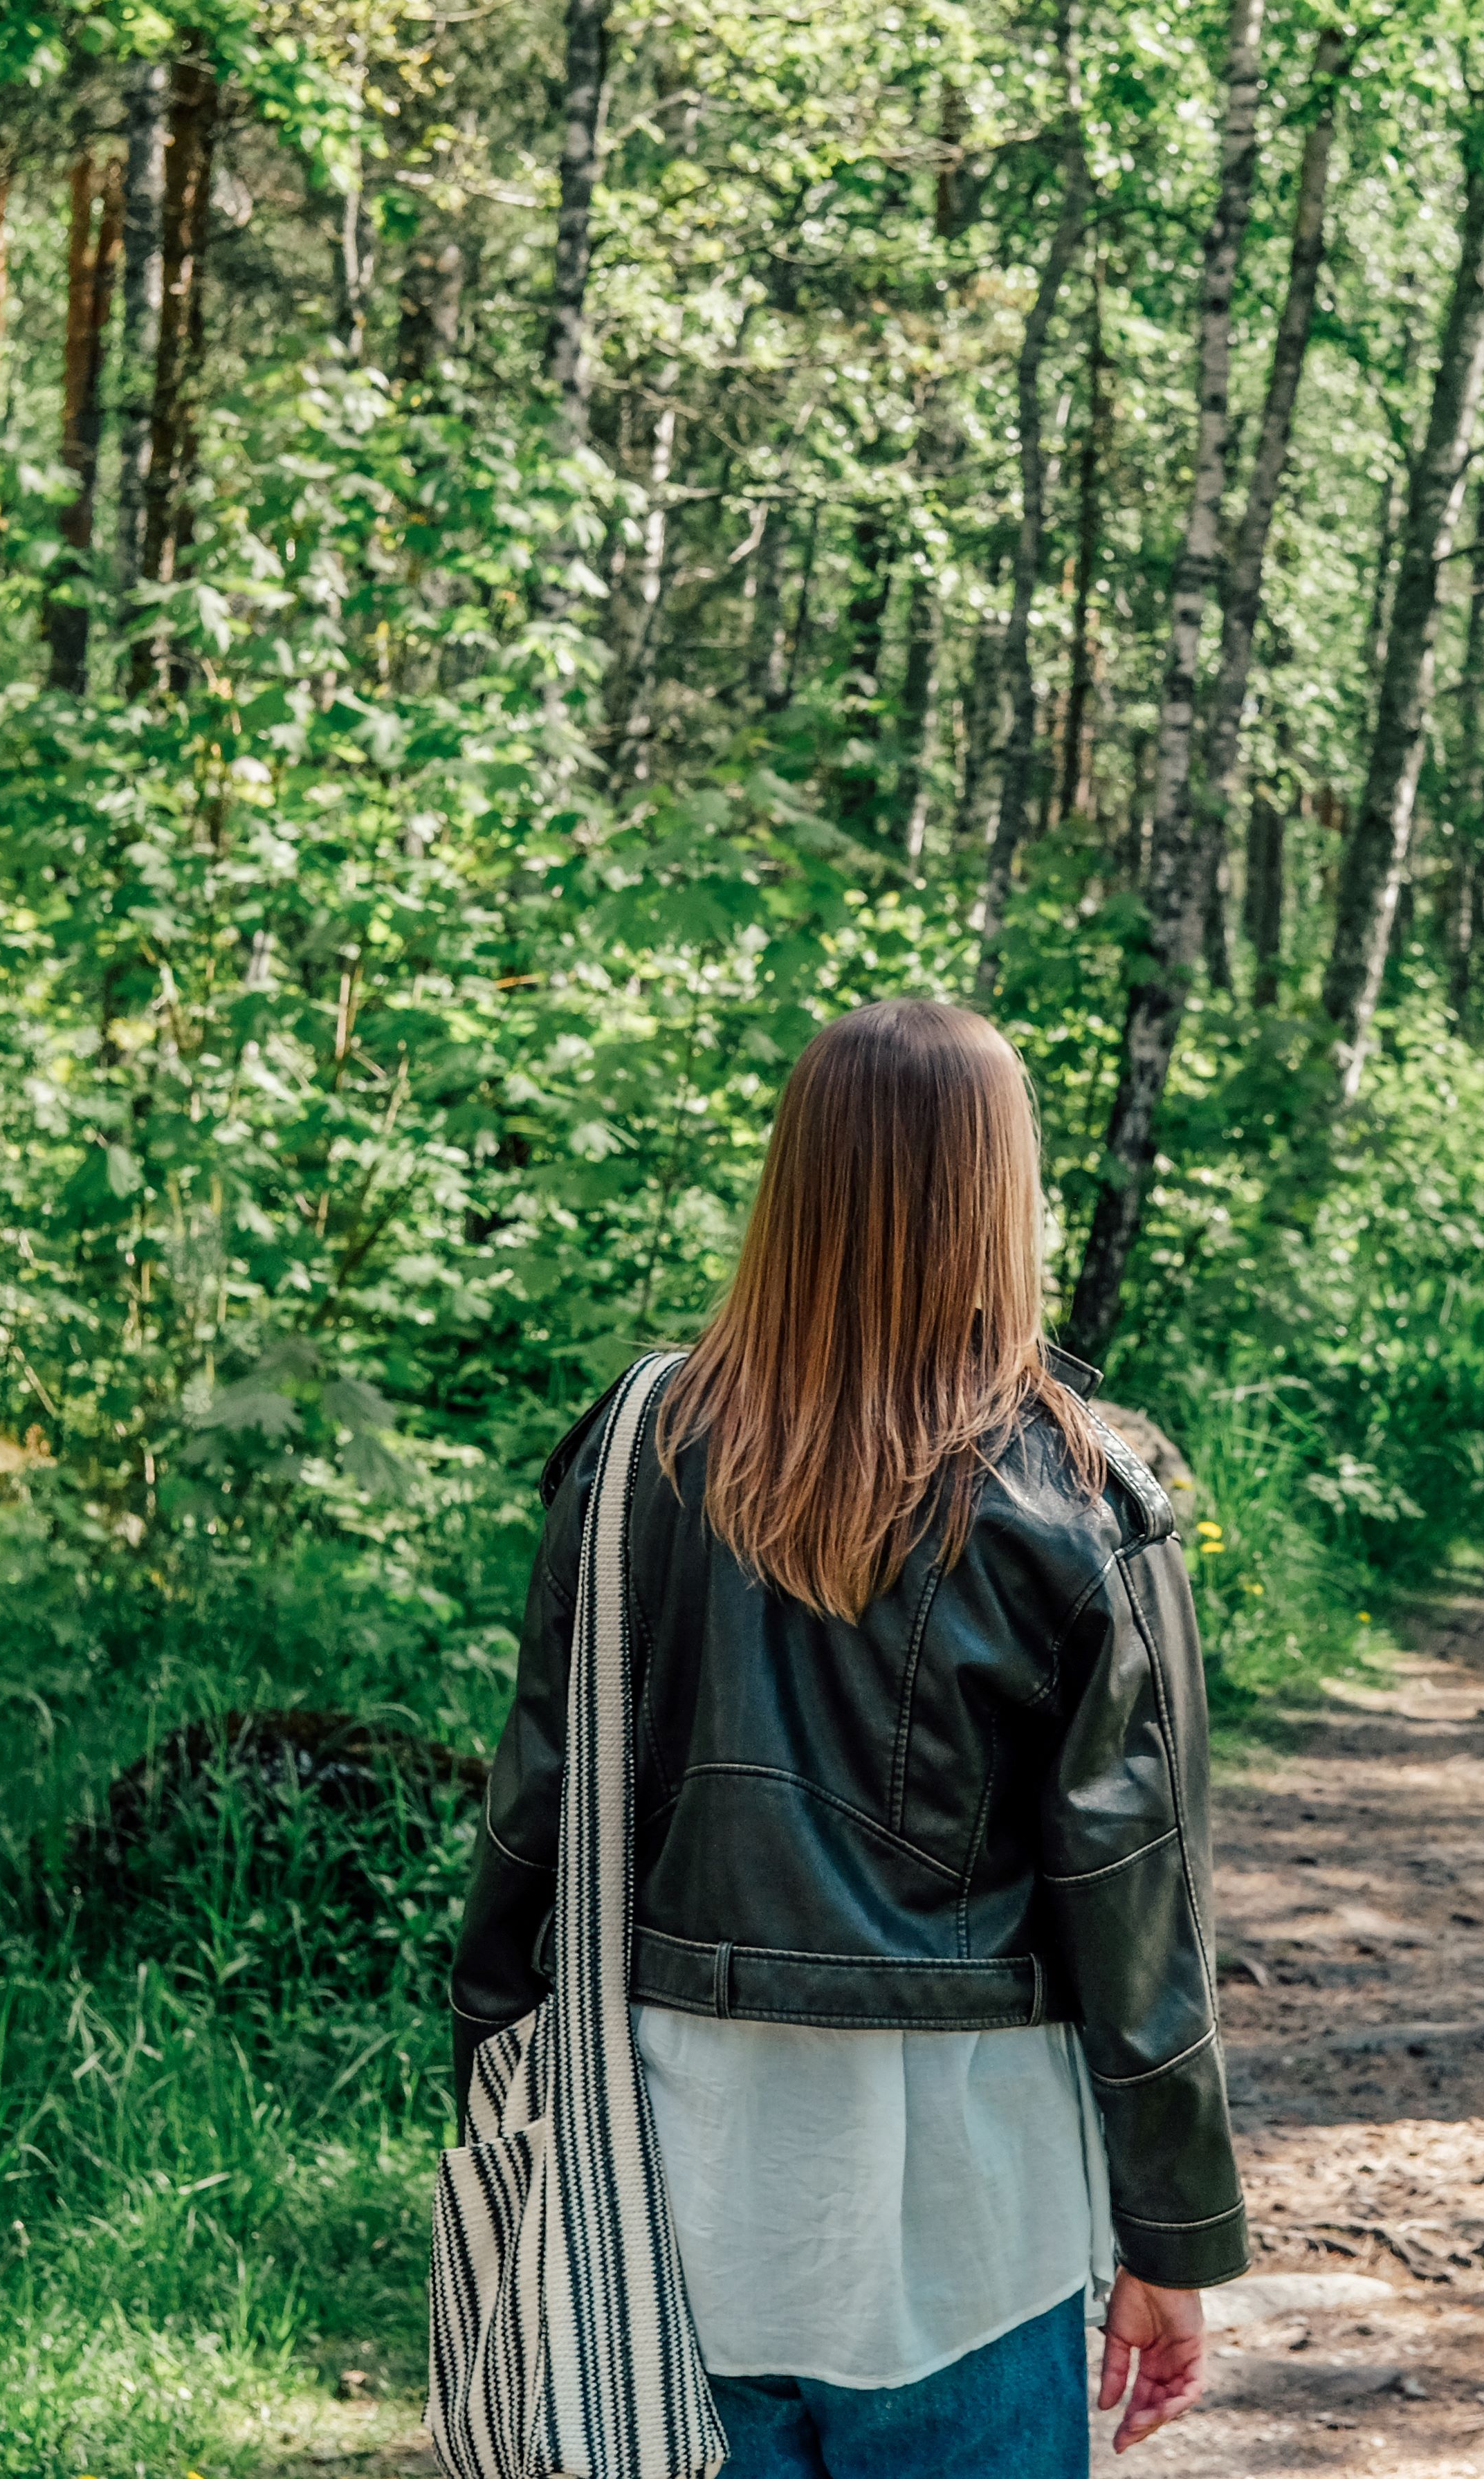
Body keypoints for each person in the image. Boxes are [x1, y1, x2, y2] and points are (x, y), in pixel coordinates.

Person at [452, 997, 1249, 2477]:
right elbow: (1142, 1907)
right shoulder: (1083, 1500)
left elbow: (536, 1813)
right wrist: (1172, 2231)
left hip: (661, 2194)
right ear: (999, 1191)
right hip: (971, 2219)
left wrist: (496, 2092)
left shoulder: (634, 1453)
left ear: (794, 1180)